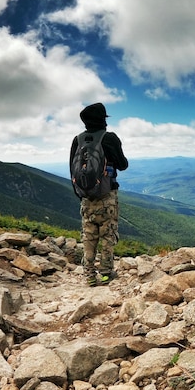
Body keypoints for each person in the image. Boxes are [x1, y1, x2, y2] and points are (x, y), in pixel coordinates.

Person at [70, 102, 128, 286]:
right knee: (108, 235)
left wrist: (81, 194)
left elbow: (73, 170)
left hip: (86, 197)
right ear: (103, 120)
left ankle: (88, 275)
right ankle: (105, 273)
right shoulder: (109, 138)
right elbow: (123, 164)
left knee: (89, 236)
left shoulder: (77, 140)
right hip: (106, 196)